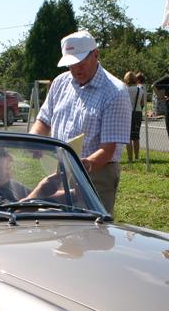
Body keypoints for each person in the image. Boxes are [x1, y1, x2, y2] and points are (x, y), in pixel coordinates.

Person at [30, 30, 131, 214]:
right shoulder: (60, 83)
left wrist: (85, 164)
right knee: (58, 228)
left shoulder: (115, 92)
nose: (76, 68)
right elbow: (43, 120)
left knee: (91, 233)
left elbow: (108, 150)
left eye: (81, 61)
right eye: (70, 63)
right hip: (59, 170)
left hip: (96, 174)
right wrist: (34, 140)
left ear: (96, 54)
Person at [124, 71, 145, 162]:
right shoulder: (140, 90)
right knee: (136, 136)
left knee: (128, 137)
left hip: (127, 113)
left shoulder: (124, 89)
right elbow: (143, 103)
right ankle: (136, 157)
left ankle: (130, 158)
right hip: (137, 113)